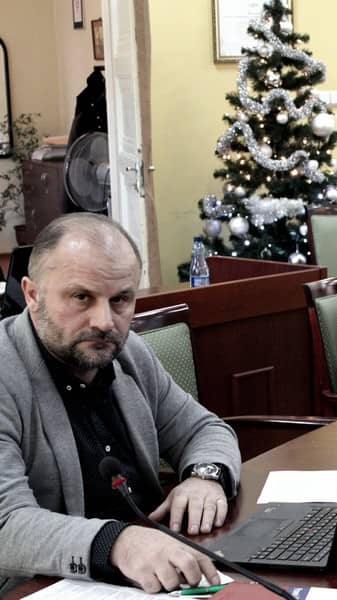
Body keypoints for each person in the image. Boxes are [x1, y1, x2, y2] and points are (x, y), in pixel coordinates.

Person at [0, 214, 241, 594]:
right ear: (32, 295)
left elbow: (203, 429)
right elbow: (6, 524)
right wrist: (118, 544)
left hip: (161, 568)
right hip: (46, 584)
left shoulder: (128, 352)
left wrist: (205, 477)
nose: (104, 321)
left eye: (120, 300)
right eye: (82, 297)